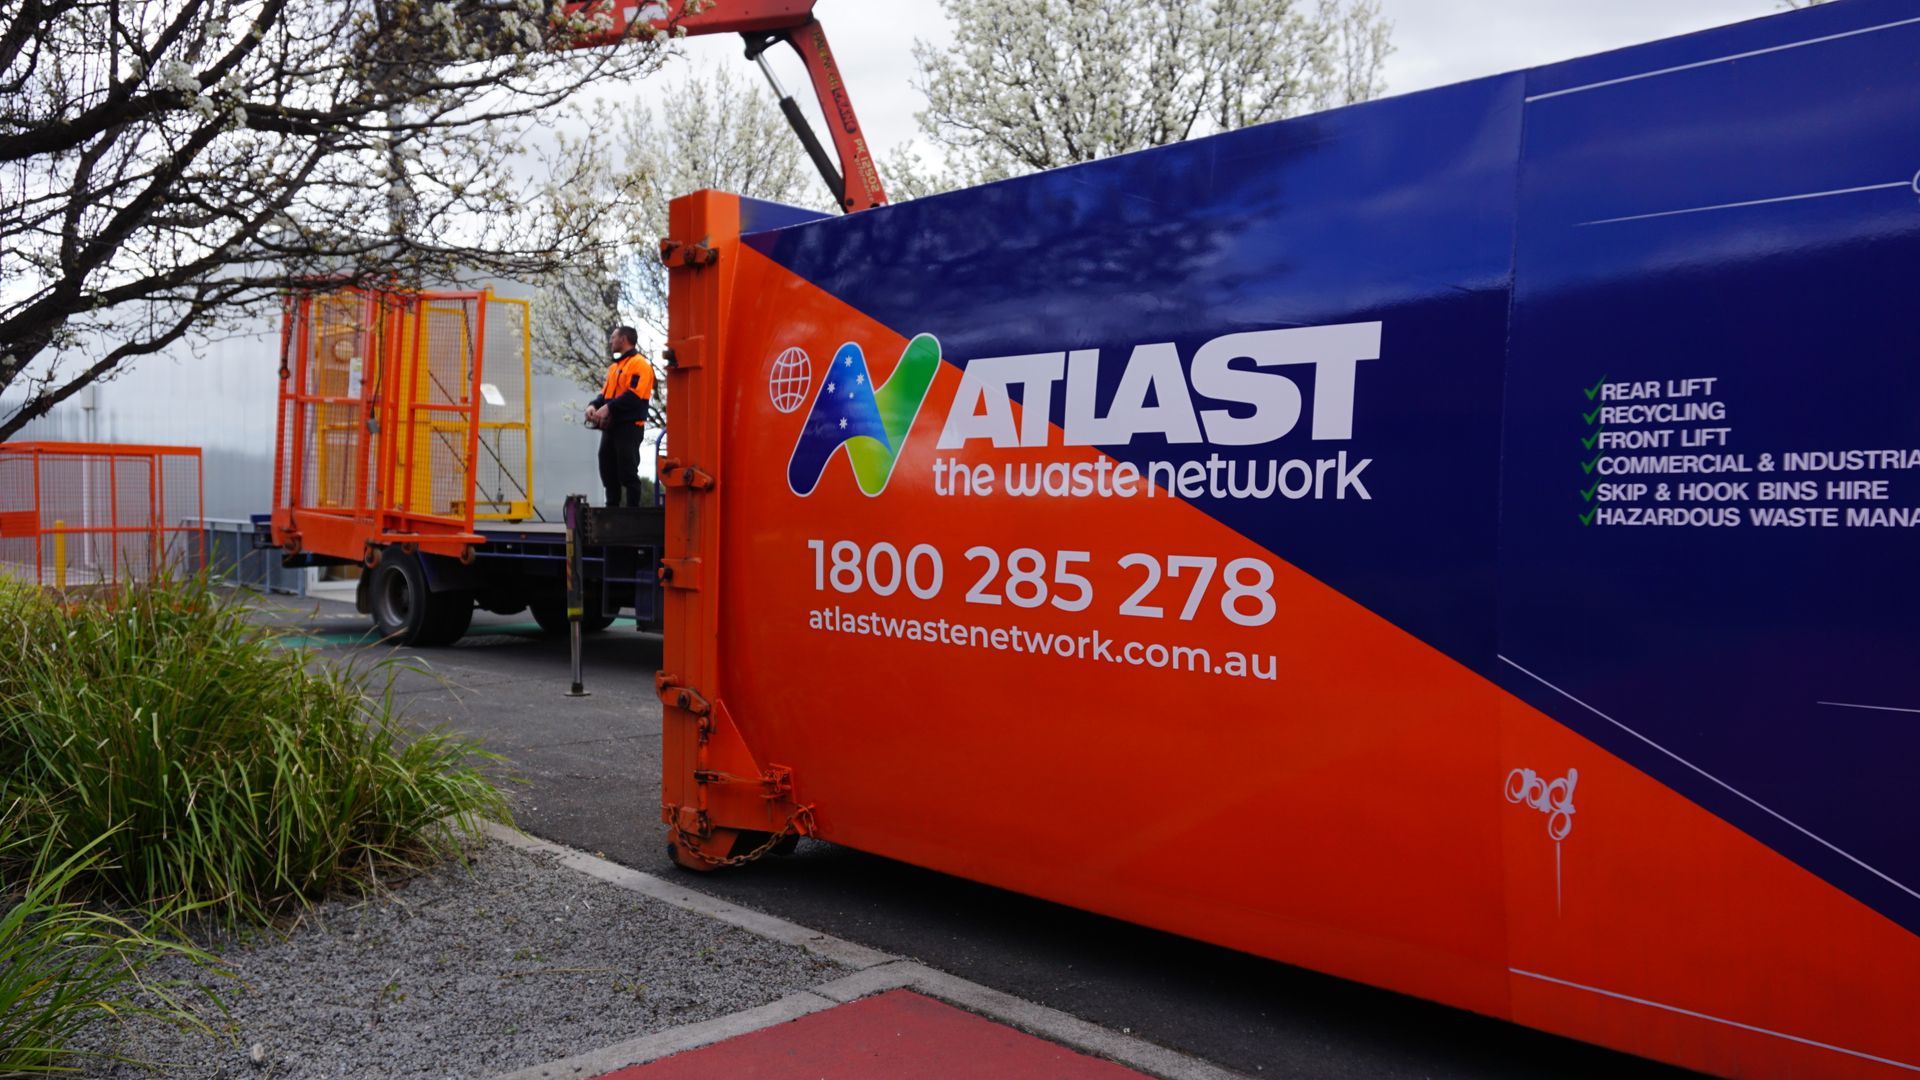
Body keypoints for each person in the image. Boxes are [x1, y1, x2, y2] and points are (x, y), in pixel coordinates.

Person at [586, 326, 654, 508]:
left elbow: (634, 396)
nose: (610, 340)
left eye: (613, 337)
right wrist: (593, 405)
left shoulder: (640, 365)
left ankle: (633, 514)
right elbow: (605, 395)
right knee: (607, 469)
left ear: (623, 339)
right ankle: (612, 510)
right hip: (612, 427)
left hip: (630, 426)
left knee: (627, 471)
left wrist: (609, 407)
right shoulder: (614, 368)